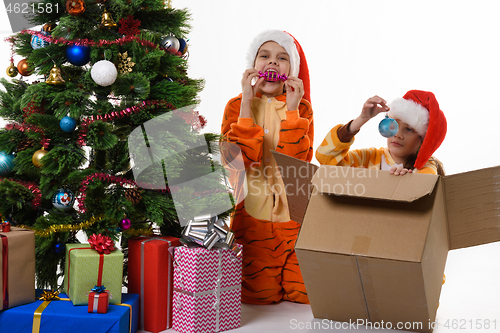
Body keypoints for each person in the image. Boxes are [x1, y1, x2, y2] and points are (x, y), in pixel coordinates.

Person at [220, 30, 313, 304]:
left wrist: (293, 110)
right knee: (257, 296)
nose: (272, 63)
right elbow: (235, 162)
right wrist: (247, 103)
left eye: (282, 58)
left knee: (306, 294)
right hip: (252, 218)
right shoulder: (235, 106)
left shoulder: (302, 107)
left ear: (291, 70)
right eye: (265, 56)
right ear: (253, 64)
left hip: (294, 219)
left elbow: (297, 166)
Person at [316, 90, 446, 175]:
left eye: (409, 129)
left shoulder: (426, 167)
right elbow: (326, 158)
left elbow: (425, 187)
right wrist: (361, 119)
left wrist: (407, 181)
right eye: (393, 124)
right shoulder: (369, 157)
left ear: (422, 140)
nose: (397, 134)